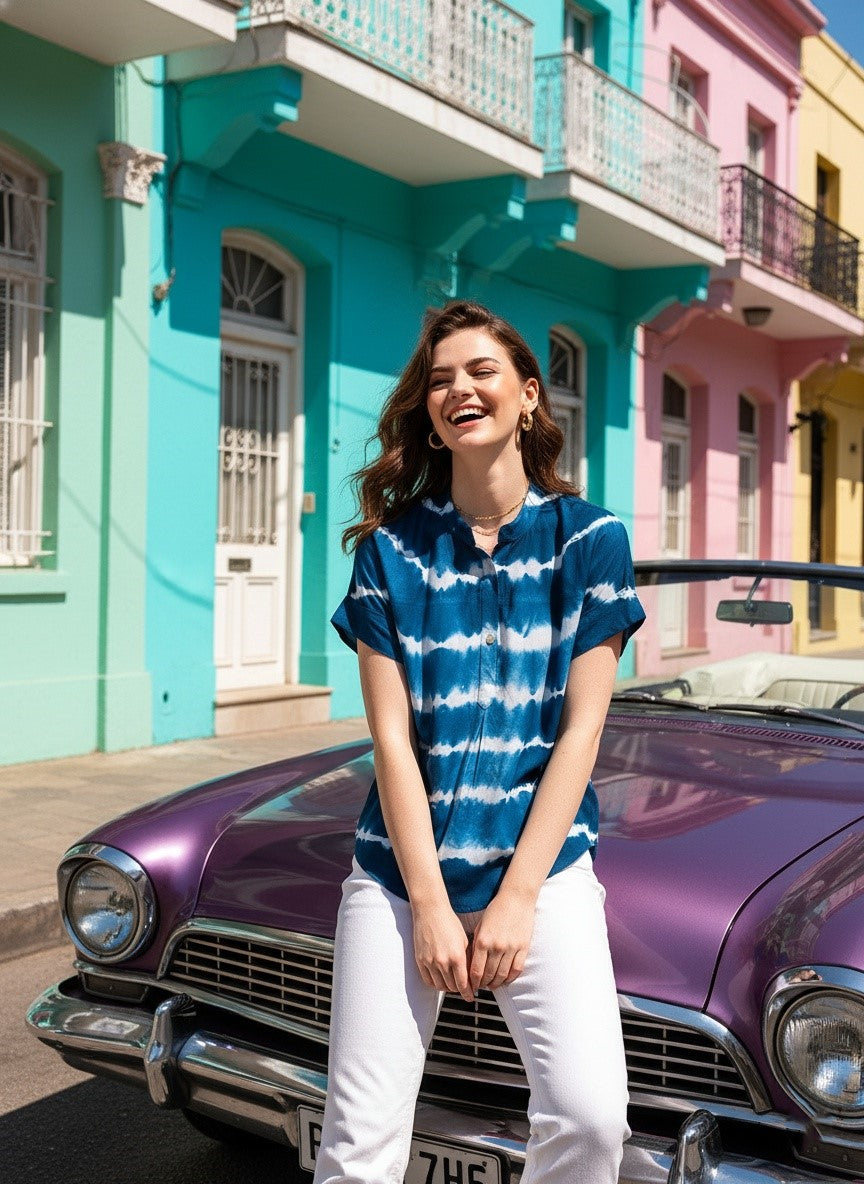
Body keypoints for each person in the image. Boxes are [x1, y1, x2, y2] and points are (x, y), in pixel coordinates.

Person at [319, 300, 645, 1184]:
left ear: (529, 397)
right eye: (438, 380)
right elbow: (390, 741)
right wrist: (427, 903)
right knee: (358, 1143)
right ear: (426, 411)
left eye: (480, 371)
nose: (458, 389)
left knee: (588, 1119)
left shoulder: (592, 540)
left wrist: (516, 899)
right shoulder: (391, 551)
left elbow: (581, 732)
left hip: (542, 873)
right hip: (398, 874)